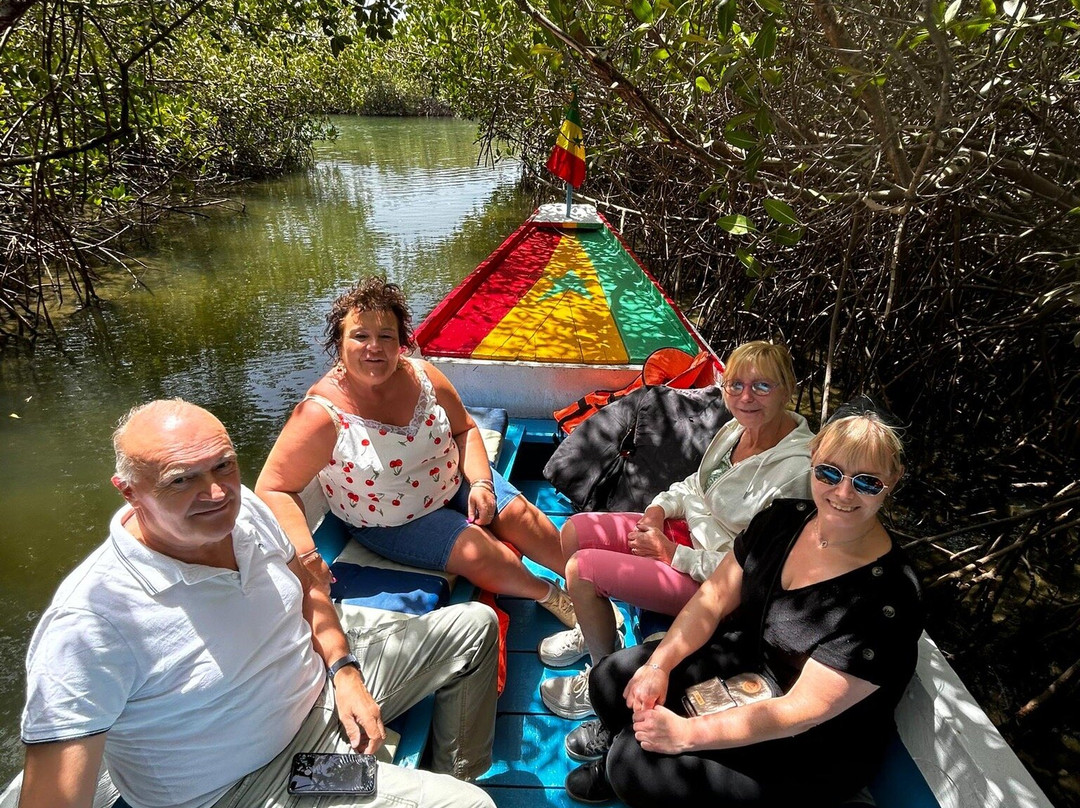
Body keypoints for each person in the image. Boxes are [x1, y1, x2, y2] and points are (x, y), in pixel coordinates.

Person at [17, 399, 498, 808]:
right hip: (265, 781)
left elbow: (311, 590)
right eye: (181, 480)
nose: (216, 492)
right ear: (129, 490)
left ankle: (455, 772)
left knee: (474, 629)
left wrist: (345, 671)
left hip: (323, 690)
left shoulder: (242, 507)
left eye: (224, 465)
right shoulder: (91, 623)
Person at [560, 397, 923, 807]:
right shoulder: (784, 519)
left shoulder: (888, 598)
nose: (843, 493)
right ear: (813, 458)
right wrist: (659, 666)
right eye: (829, 472)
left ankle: (632, 765)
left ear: (893, 479)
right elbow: (712, 599)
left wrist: (685, 735)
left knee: (632, 764)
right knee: (613, 679)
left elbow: (800, 711)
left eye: (866, 482)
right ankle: (629, 751)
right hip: (749, 666)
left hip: (812, 744)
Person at [256, 277, 575, 626]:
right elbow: (274, 486)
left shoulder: (423, 375)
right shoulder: (319, 414)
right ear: (339, 342)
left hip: (453, 480)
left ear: (401, 343)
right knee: (482, 553)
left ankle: (585, 580)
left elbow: (465, 429)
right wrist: (305, 551)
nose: (373, 347)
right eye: (360, 335)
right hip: (392, 520)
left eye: (386, 336)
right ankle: (547, 593)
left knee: (521, 516)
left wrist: (482, 483)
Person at [540, 341, 814, 719]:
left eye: (762, 386)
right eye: (735, 385)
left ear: (788, 389)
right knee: (574, 532)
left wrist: (672, 555)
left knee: (581, 571)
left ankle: (601, 679)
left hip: (716, 581)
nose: (746, 397)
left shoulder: (796, 471)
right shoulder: (736, 430)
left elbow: (754, 568)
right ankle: (596, 632)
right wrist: (656, 510)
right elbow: (694, 487)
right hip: (682, 534)